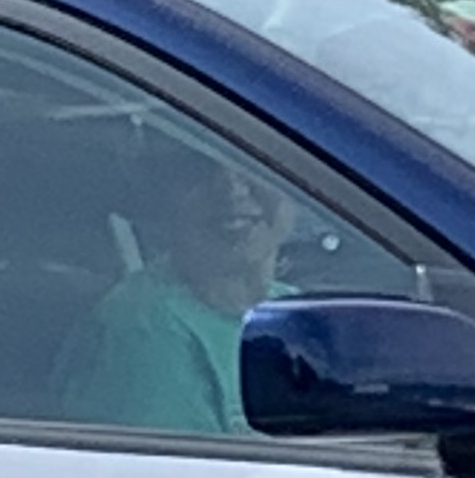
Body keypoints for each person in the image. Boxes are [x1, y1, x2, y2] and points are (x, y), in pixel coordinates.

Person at [55, 138, 296, 436]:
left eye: (253, 161)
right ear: (163, 195)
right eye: (199, 167)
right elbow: (174, 476)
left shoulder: (289, 305)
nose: (232, 190)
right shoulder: (146, 327)